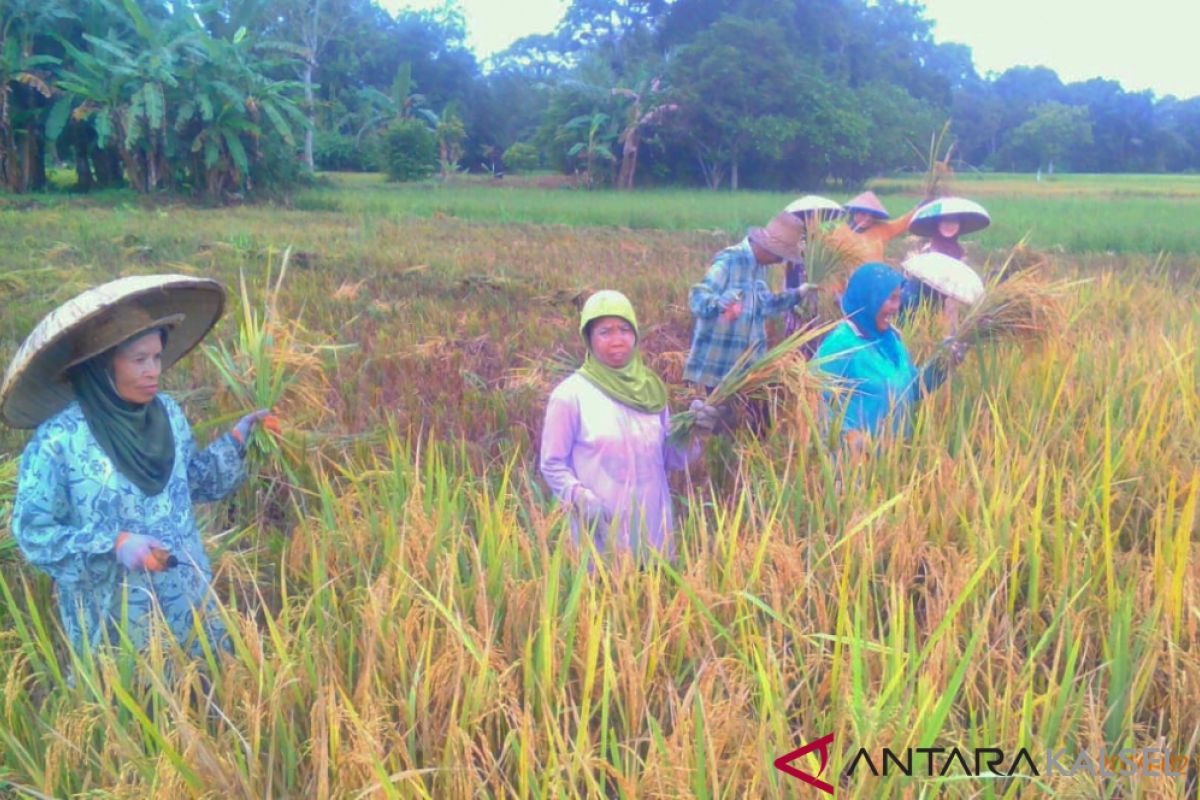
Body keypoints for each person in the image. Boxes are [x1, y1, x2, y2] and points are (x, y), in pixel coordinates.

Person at [1, 276, 270, 658]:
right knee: (131, 708)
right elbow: (34, 534)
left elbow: (189, 484)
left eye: (157, 357)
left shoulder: (169, 415)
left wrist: (238, 441)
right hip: (115, 618)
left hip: (185, 598)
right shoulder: (59, 440)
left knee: (198, 696)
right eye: (139, 359)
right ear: (100, 367)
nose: (153, 371)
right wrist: (114, 544)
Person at [540, 290, 718, 562]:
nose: (617, 340)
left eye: (624, 329)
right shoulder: (570, 396)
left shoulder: (651, 391)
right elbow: (552, 463)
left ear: (635, 334)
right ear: (588, 339)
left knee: (656, 600)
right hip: (600, 533)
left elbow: (670, 458)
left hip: (653, 532)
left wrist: (694, 433)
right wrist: (580, 498)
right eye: (604, 332)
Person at [816, 263, 965, 447]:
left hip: (890, 462)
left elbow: (912, 388)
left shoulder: (891, 341)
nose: (897, 307)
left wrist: (942, 362)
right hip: (852, 465)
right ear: (869, 299)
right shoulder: (840, 344)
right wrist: (848, 437)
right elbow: (814, 400)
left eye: (898, 298)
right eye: (890, 299)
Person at [684, 212, 816, 389]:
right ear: (766, 248)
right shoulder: (730, 260)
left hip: (749, 370)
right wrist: (721, 303)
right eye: (779, 256)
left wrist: (798, 293)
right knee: (714, 415)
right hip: (720, 370)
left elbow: (765, 305)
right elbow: (698, 297)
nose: (780, 262)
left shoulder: (760, 267)